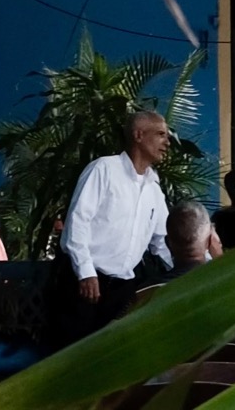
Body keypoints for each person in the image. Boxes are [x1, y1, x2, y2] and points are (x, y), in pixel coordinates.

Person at [51, 110, 173, 346]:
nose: (167, 142)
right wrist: (86, 272)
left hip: (121, 290)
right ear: (138, 135)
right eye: (160, 134)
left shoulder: (154, 188)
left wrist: (196, 269)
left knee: (111, 354)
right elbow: (78, 221)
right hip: (83, 282)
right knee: (72, 355)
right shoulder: (104, 169)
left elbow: (163, 241)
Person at [165, 200, 223, 276]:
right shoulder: (223, 279)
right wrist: (220, 260)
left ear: (167, 243)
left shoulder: (153, 283)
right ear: (209, 242)